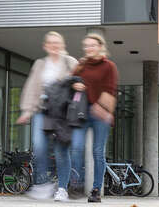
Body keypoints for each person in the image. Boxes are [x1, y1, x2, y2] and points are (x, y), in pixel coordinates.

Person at [16, 31, 77, 201]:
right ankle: (43, 184)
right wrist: (27, 110)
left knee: (61, 152)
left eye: (57, 43)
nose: (54, 46)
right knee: (39, 146)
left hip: (63, 114)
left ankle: (62, 189)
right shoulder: (40, 64)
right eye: (50, 43)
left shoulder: (70, 62)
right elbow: (32, 88)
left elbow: (80, 82)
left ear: (62, 45)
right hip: (42, 111)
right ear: (45, 46)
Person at [69, 33, 118, 203]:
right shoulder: (81, 66)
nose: (89, 48)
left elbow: (111, 89)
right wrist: (75, 84)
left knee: (97, 151)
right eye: (86, 46)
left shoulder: (109, 66)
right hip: (82, 111)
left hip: (101, 112)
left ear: (100, 46)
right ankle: (77, 184)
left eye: (92, 45)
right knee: (76, 147)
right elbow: (70, 82)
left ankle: (96, 189)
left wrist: (101, 105)